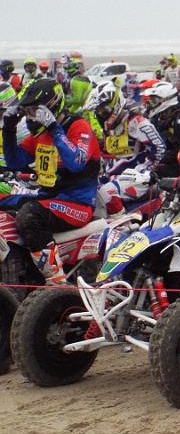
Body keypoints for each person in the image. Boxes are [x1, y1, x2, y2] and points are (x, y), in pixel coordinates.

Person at [0, 78, 102, 282]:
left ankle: (56, 280)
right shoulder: (41, 134)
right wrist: (9, 130)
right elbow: (14, 161)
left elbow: (76, 162)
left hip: (77, 203)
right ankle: (20, 270)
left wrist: (55, 128)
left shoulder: (78, 126)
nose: (29, 117)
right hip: (48, 198)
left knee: (28, 217)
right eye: (26, 112)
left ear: (51, 105)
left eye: (33, 111)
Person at [91, 81, 166, 217]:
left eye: (104, 110)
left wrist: (143, 170)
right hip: (113, 176)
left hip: (136, 178)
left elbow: (159, 146)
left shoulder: (136, 121)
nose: (102, 115)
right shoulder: (108, 128)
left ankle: (122, 225)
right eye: (99, 111)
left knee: (105, 194)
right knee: (88, 192)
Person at [142, 81, 180, 178]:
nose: (151, 104)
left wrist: (157, 160)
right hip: (159, 160)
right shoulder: (155, 119)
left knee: (153, 174)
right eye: (151, 100)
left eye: (154, 101)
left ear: (166, 100)